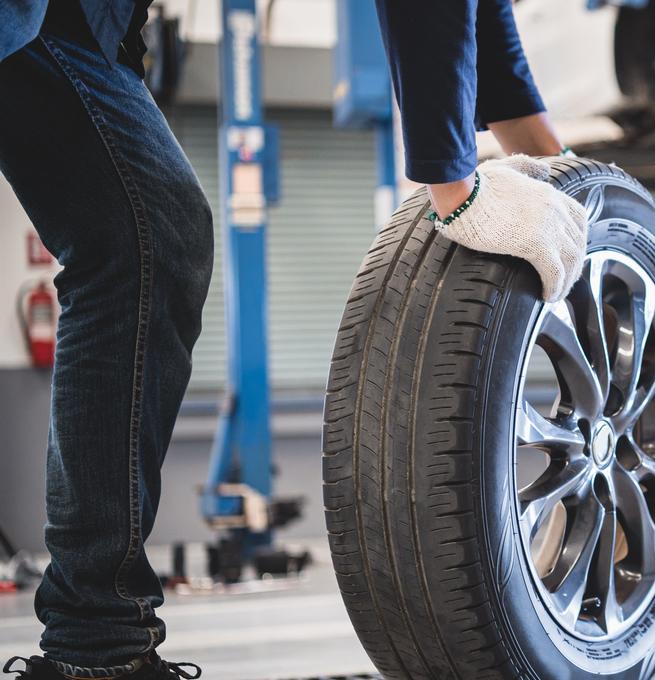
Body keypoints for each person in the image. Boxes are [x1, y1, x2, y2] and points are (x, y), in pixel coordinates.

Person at [0, 0, 585, 677]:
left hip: (66, 20)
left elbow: (479, 22)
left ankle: (95, 649)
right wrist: (455, 184)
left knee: (145, 239)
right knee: (143, 236)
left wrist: (564, 176)